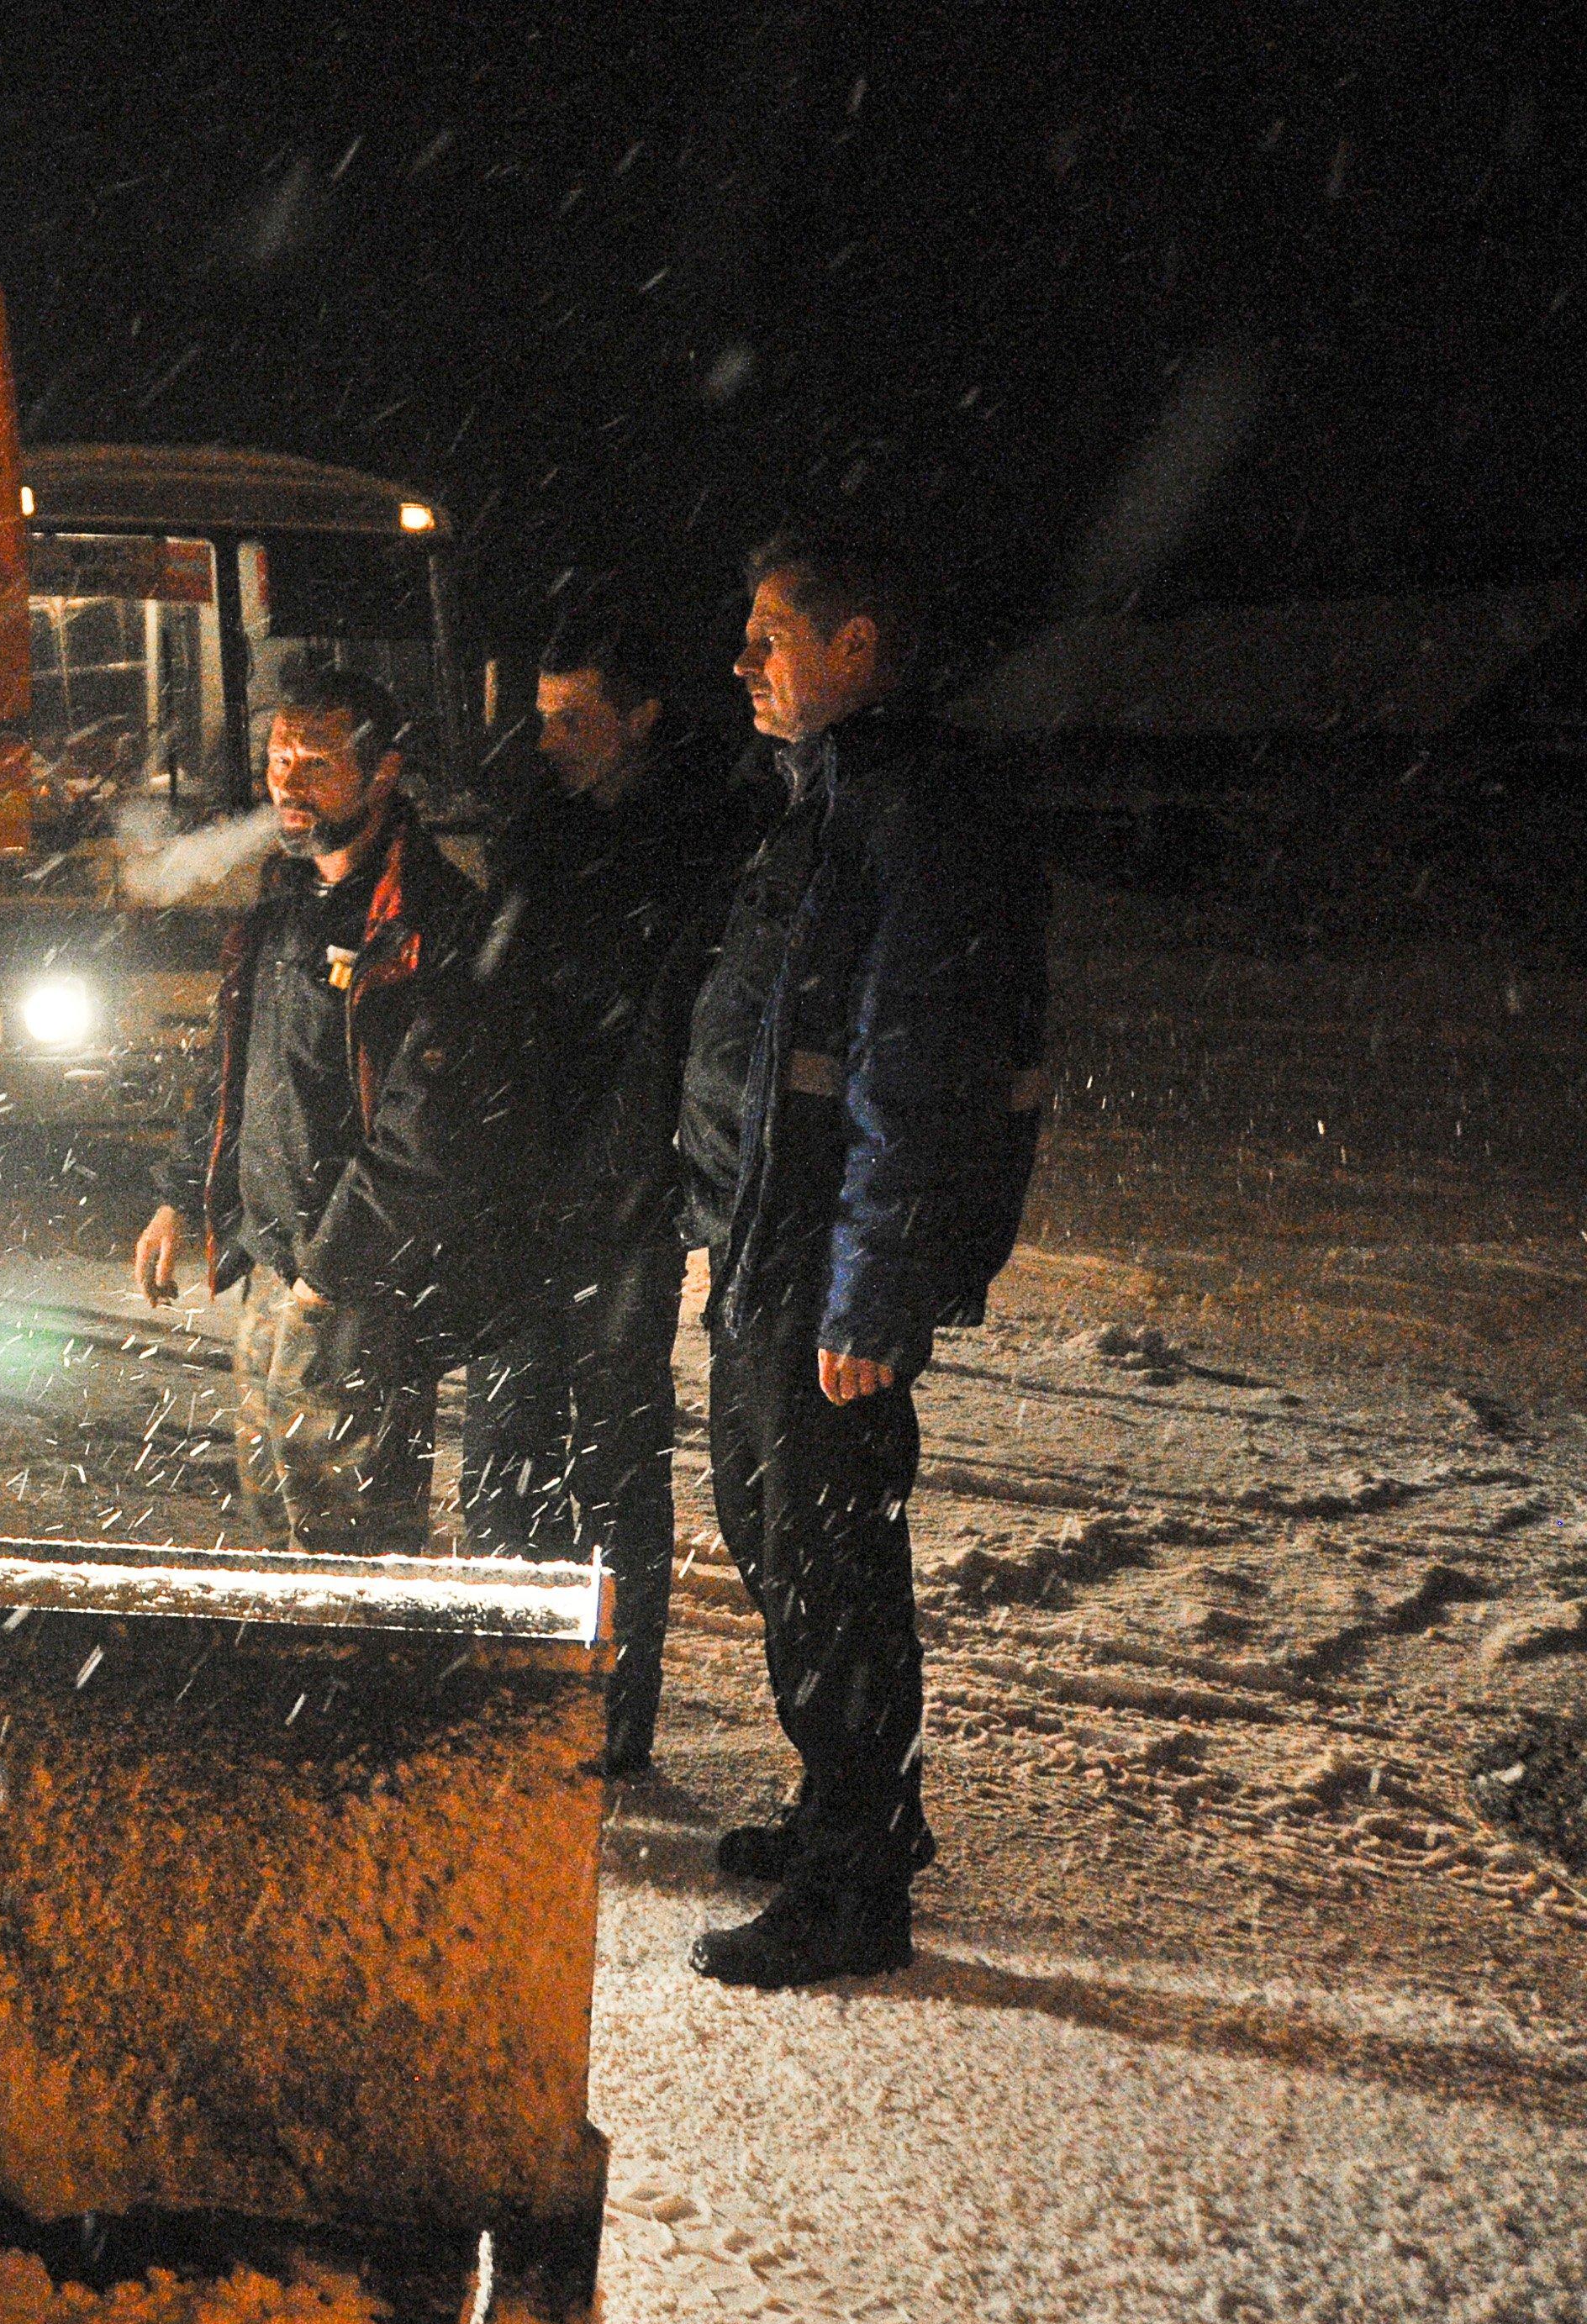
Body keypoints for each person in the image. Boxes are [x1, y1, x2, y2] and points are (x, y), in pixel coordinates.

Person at [674, 529, 1050, 1988]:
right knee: (774, 1531)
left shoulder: (919, 814)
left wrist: (873, 1292)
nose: (742, 662)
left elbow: (920, 1071)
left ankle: (854, 1885)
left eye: (770, 635)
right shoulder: (825, 797)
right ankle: (849, 1806)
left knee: (829, 1558)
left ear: (856, 647)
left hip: (824, 1255)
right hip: (768, 1237)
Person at [133, 652, 510, 1554]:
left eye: (315, 762)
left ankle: (370, 1655)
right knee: (278, 1533)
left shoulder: (425, 921)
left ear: (383, 772)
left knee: (350, 1549)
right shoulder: (289, 901)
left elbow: (425, 1130)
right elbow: (236, 1067)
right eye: (277, 759)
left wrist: (328, 1275)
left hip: (356, 1288)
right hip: (277, 1269)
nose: (286, 784)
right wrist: (180, 1197)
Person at [457, 619, 749, 1779]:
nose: (549, 741)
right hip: (521, 1189)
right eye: (540, 718)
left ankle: (611, 1716)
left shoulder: (692, 849)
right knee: (501, 1447)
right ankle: (509, 1696)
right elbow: (497, 1008)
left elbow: (670, 1044)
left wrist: (637, 1180)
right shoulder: (541, 833)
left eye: (573, 718)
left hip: (621, 1202)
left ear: (641, 720)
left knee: (614, 1461)